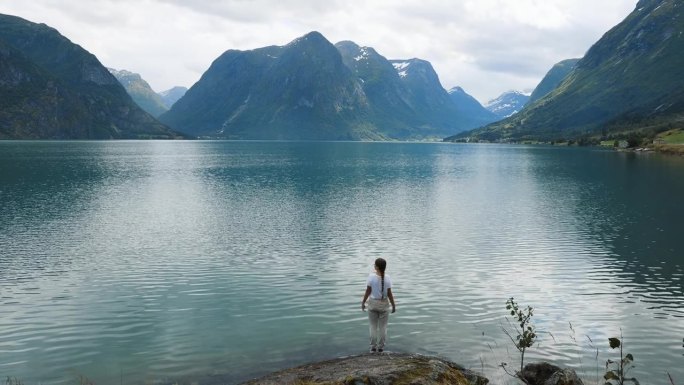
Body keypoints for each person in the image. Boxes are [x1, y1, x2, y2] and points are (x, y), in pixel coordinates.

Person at [361, 258, 396, 353]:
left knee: (372, 327)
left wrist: (363, 302)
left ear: (377, 267)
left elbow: (368, 291)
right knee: (383, 327)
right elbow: (389, 293)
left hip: (372, 303)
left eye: (374, 264)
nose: (374, 266)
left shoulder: (371, 277)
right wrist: (393, 305)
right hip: (384, 303)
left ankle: (373, 348)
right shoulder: (388, 278)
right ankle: (381, 348)